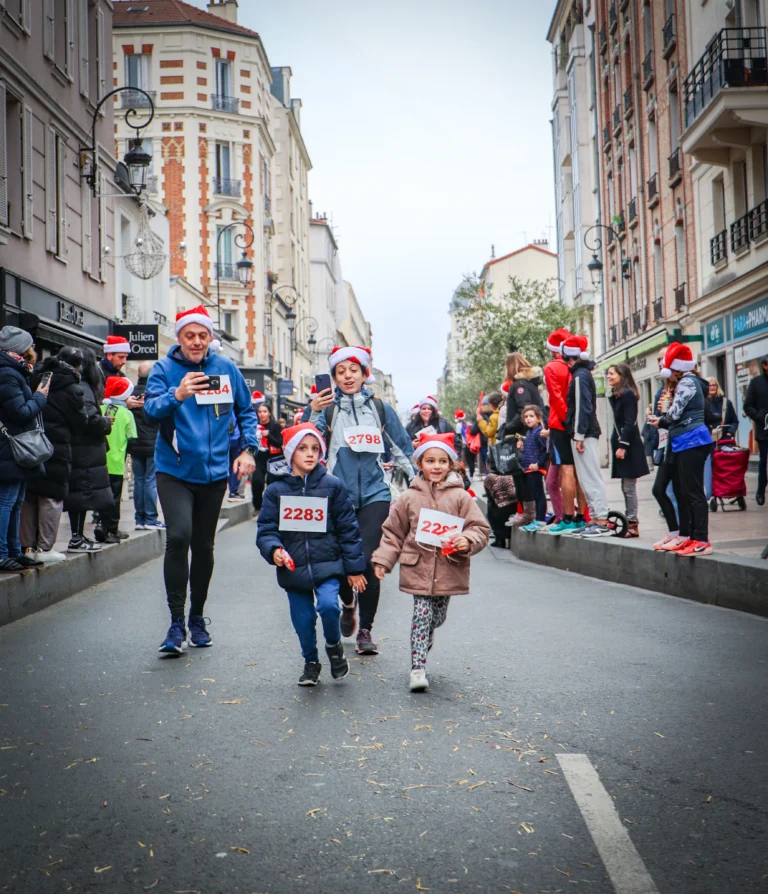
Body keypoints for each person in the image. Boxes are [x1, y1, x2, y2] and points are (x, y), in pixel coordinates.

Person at [144, 305, 257, 654]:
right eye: (189, 335)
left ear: (210, 338)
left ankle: (197, 618)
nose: (196, 342)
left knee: (204, 547)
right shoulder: (164, 369)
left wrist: (248, 450)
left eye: (202, 335)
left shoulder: (225, 367)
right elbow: (149, 411)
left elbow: (246, 410)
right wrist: (177, 394)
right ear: (179, 337)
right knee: (178, 537)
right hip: (174, 470)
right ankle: (176, 623)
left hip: (213, 474)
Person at [309, 345, 414, 655]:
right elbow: (305, 442)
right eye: (340, 372)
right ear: (334, 378)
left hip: (375, 493)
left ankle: (365, 629)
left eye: (353, 370)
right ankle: (348, 602)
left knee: (368, 559)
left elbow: (403, 449)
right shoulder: (328, 409)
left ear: (364, 374)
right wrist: (313, 410)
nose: (347, 376)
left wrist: (421, 484)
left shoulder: (381, 409)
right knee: (343, 559)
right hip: (337, 493)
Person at [371, 432, 490, 692]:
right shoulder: (409, 498)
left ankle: (426, 636)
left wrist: (467, 540)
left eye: (442, 461)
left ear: (451, 464)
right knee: (421, 615)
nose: (436, 467)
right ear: (419, 464)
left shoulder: (461, 497)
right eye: (430, 461)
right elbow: (393, 532)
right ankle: (417, 669)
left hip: (449, 568)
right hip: (418, 566)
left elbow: (480, 528)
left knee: (437, 616)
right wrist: (382, 560)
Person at [256, 423, 367, 686]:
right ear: (290, 452)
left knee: (329, 606)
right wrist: (274, 551)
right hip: (293, 569)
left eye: (315, 448)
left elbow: (348, 529)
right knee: (303, 620)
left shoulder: (333, 486)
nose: (310, 454)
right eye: (302, 448)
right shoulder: (275, 491)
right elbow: (266, 529)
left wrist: (353, 569)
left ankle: (333, 646)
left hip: (328, 566)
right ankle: (311, 662)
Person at [21, 347, 89, 564]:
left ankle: (27, 547)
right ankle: (45, 547)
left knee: (30, 495)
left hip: (30, 444)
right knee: (51, 496)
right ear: (77, 366)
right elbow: (80, 422)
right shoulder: (71, 386)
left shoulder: (34, 377)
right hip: (57, 447)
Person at [648, 343, 713, 556]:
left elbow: (674, 415)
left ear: (676, 367)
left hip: (691, 440)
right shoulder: (688, 382)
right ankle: (693, 537)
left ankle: (701, 540)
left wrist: (661, 420)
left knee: (693, 492)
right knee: (687, 491)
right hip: (687, 441)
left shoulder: (687, 383)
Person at [0, 326, 50, 572]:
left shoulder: (13, 371)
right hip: (8, 447)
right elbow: (20, 413)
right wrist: (40, 397)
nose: (33, 350)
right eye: (30, 346)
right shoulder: (7, 374)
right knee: (7, 502)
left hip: (14, 448)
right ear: (20, 349)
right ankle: (2, 553)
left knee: (16, 501)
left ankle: (13, 551)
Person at [64, 349, 114, 552]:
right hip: (84, 450)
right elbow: (90, 419)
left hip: (80, 448)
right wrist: (106, 422)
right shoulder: (84, 388)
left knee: (79, 493)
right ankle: (76, 537)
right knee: (81, 494)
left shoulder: (77, 386)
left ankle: (78, 536)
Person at [563, 335, 612, 537]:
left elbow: (583, 407)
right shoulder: (583, 374)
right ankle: (595, 518)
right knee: (586, 478)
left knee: (590, 477)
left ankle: (600, 519)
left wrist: (579, 435)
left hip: (584, 433)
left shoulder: (579, 376)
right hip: (585, 432)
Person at [607, 363, 649, 538]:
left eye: (611, 374)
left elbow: (630, 421)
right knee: (626, 487)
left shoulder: (628, 395)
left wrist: (623, 446)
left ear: (621, 375)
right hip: (624, 444)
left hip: (629, 446)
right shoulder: (620, 395)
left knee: (629, 487)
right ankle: (631, 522)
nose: (608, 376)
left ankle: (632, 524)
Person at [94, 377, 137, 544]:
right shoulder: (127, 414)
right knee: (114, 498)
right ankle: (111, 529)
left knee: (100, 495)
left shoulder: (100, 408)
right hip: (117, 462)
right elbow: (132, 438)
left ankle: (99, 523)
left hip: (99, 461)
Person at [543, 329, 577, 532]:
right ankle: (582, 515)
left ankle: (566, 517)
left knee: (565, 471)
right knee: (575, 471)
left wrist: (566, 421)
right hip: (574, 424)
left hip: (559, 424)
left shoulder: (552, 368)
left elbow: (556, 398)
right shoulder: (574, 366)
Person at [128, 361, 163, 529]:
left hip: (135, 443)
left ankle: (139, 519)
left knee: (138, 481)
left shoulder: (131, 394)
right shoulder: (155, 394)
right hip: (152, 443)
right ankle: (150, 518)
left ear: (138, 375)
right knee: (150, 480)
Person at [516, 405, 549, 531]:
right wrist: (523, 448)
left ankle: (540, 520)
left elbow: (545, 451)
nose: (528, 419)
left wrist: (538, 464)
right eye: (526, 417)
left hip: (535, 469)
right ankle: (537, 519)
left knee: (539, 495)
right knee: (535, 495)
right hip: (528, 468)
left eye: (531, 416)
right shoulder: (529, 432)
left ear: (538, 418)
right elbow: (532, 449)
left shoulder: (539, 432)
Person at [743, 355, 768, 506]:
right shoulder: (756, 383)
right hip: (763, 428)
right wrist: (759, 416)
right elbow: (747, 406)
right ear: (765, 366)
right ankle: (760, 490)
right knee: (764, 460)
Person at [251, 395, 283, 512]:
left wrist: (268, 436)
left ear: (269, 413)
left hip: (273, 458)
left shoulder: (275, 426)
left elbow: (280, 442)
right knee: (257, 481)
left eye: (264, 411)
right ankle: (257, 506)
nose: (262, 414)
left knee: (272, 483)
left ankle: (271, 507)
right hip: (259, 457)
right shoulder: (254, 425)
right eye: (259, 412)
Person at [503, 352, 543, 439]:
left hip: (522, 433)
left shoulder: (519, 385)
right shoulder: (530, 383)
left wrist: (509, 427)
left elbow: (524, 408)